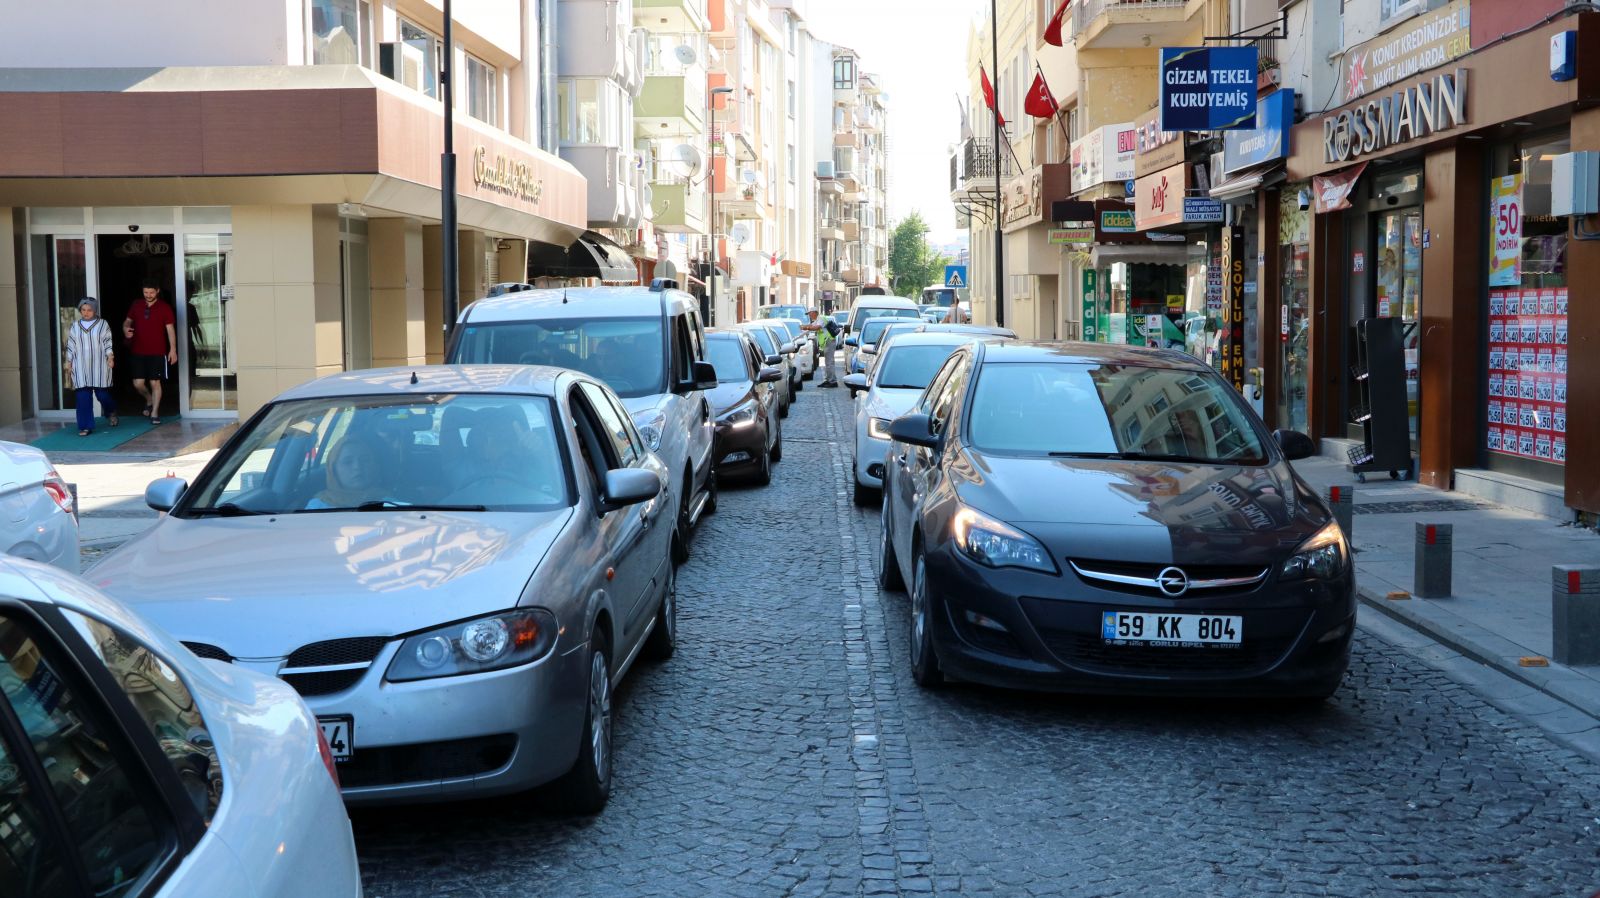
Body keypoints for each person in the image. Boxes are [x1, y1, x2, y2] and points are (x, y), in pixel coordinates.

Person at [122, 282, 177, 426]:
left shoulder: (165, 308)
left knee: (155, 382)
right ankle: (149, 399)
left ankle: (155, 412)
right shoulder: (136, 304)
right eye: (145, 292)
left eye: (151, 292)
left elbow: (170, 330)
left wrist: (173, 350)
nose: (148, 295)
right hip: (137, 351)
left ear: (157, 291)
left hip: (157, 351)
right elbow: (127, 322)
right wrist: (125, 329)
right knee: (138, 384)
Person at [63, 297, 117, 437]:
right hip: (80, 365)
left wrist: (110, 357)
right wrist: (69, 362)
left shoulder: (102, 324)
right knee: (82, 397)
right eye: (83, 310)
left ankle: (111, 411)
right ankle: (85, 426)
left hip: (99, 364)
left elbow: (107, 342)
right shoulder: (75, 325)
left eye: (89, 310)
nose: (86, 313)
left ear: (94, 310)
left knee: (102, 394)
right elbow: (71, 344)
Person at [306, 434, 390, 510]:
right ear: (333, 469)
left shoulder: (389, 504)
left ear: (374, 466)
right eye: (348, 462)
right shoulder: (316, 506)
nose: (357, 467)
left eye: (364, 460)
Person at [801, 309, 840, 387]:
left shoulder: (821, 319)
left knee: (829, 363)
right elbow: (812, 326)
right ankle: (828, 380)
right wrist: (803, 328)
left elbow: (816, 327)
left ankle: (832, 381)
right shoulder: (818, 320)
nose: (809, 315)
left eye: (810, 313)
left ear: (815, 313)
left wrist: (805, 328)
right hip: (827, 343)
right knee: (827, 362)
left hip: (829, 341)